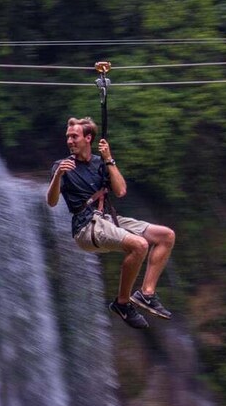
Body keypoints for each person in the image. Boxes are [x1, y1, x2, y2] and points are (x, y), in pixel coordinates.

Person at [46, 116, 176, 329]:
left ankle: (146, 294)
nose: (69, 141)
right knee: (139, 245)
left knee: (166, 236)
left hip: (108, 218)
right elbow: (51, 202)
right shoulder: (61, 166)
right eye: (68, 137)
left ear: (88, 138)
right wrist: (58, 176)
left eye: (74, 137)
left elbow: (121, 191)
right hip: (86, 227)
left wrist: (109, 159)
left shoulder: (100, 162)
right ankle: (122, 303)